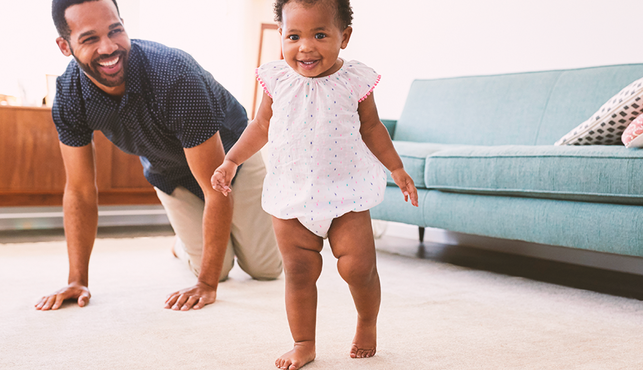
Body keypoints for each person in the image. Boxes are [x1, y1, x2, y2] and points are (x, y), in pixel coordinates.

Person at [35, 0, 282, 312]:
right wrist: (77, 279)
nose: (108, 47)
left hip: (232, 162)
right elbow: (80, 190)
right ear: (64, 45)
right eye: (89, 39)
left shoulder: (173, 75)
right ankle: (184, 245)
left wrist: (204, 287)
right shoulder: (70, 95)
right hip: (169, 173)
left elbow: (214, 186)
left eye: (115, 31)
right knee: (218, 270)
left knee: (265, 269)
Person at [211, 0, 418, 368]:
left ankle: (367, 322)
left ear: (345, 37)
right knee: (299, 272)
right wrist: (231, 160)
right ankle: (303, 342)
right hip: (291, 194)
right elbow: (260, 126)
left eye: (320, 35)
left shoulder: (354, 80)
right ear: (281, 37)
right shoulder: (275, 79)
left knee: (359, 268)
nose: (305, 46)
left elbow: (372, 128)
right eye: (293, 36)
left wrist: (396, 168)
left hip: (345, 193)